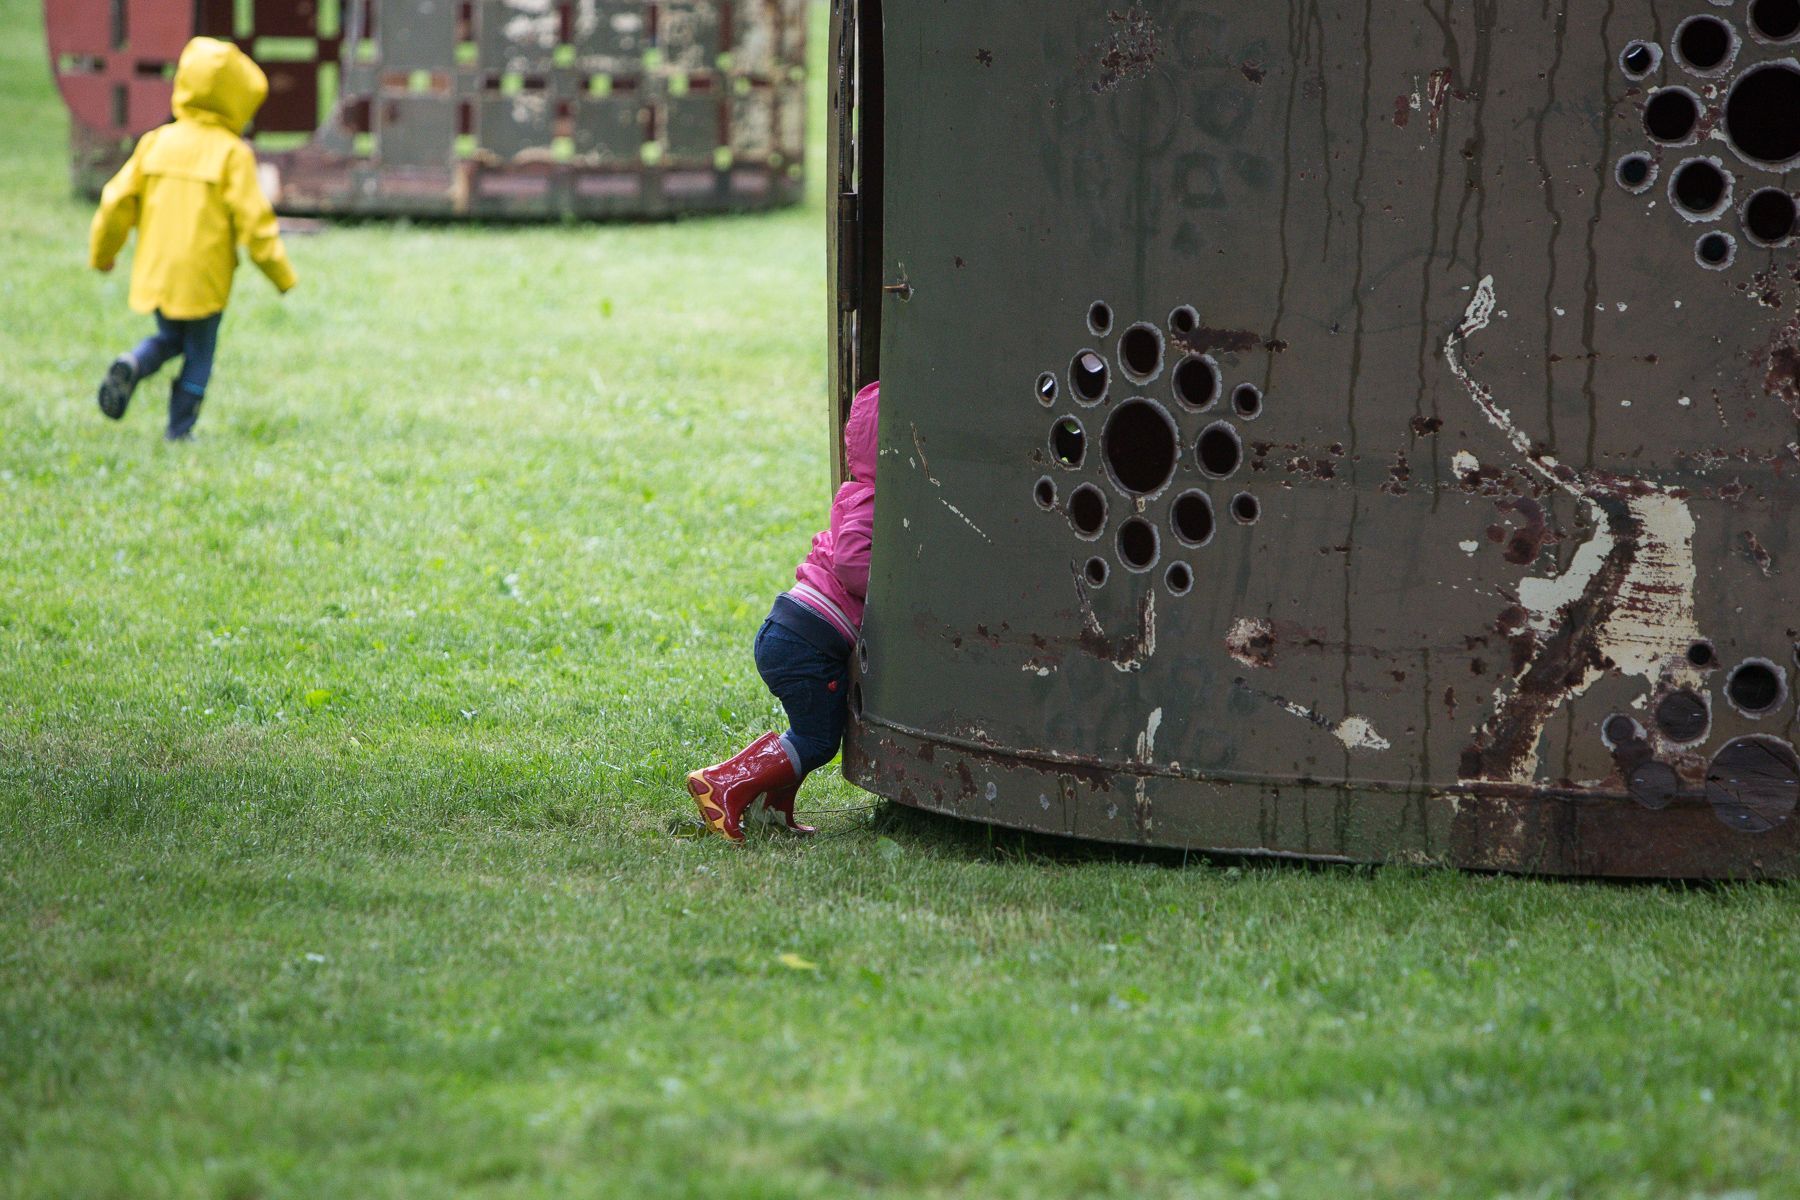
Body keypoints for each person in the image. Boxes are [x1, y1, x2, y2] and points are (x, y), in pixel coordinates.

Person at [688, 381, 880, 841]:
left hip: (792, 629)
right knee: (815, 741)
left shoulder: (855, 491)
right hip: (808, 641)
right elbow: (853, 563)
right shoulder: (876, 500)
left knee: (807, 729)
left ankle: (771, 813)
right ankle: (722, 784)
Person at [89, 37, 297, 441]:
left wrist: (103, 254)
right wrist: (281, 273)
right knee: (199, 351)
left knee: (169, 337)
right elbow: (255, 222)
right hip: (204, 277)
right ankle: (179, 430)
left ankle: (134, 362)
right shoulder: (231, 154)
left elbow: (116, 201)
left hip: (159, 270)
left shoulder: (156, 142)